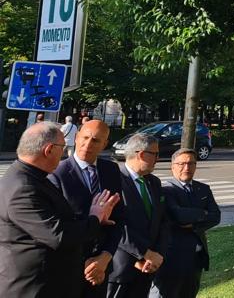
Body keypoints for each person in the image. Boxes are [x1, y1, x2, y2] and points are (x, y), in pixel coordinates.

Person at [0, 122, 119, 297]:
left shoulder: (31, 177)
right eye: (62, 148)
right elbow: (58, 236)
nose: (63, 153)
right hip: (35, 287)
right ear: (49, 150)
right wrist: (95, 217)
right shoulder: (24, 187)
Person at [50, 120, 127, 297]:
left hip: (101, 268)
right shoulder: (57, 173)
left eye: (96, 140)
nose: (88, 144)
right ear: (76, 137)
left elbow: (119, 218)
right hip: (67, 268)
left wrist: (105, 257)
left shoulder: (111, 170)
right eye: (85, 137)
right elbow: (56, 227)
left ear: (105, 144)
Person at [151, 148, 221, 298]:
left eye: (191, 163)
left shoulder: (203, 189)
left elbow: (216, 216)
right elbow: (179, 216)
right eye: (181, 164)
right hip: (172, 258)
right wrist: (204, 213)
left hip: (196, 258)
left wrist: (193, 222)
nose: (187, 168)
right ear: (173, 166)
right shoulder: (166, 190)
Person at [107, 133, 170, 298]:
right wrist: (143, 253)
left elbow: (162, 221)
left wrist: (157, 255)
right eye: (155, 154)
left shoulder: (154, 182)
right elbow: (115, 223)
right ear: (141, 154)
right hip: (120, 269)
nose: (158, 158)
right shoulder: (113, 179)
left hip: (148, 269)